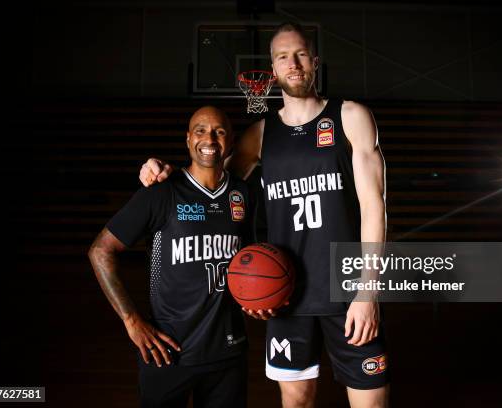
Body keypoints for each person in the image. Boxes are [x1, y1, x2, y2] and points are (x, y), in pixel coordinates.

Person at [140, 22, 388, 408]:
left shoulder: (350, 116)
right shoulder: (260, 133)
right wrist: (162, 171)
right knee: (296, 404)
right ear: (272, 71)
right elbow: (209, 182)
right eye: (282, 57)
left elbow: (375, 208)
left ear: (315, 62)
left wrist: (368, 292)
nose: (293, 63)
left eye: (301, 54)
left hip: (348, 292)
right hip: (287, 295)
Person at [88, 106, 252, 407]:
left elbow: (254, 263)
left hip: (228, 353)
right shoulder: (162, 192)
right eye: (200, 130)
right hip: (168, 352)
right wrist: (131, 320)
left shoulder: (242, 194)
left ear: (229, 142)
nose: (210, 138)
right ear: (188, 139)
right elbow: (101, 250)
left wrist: (259, 300)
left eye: (219, 131)